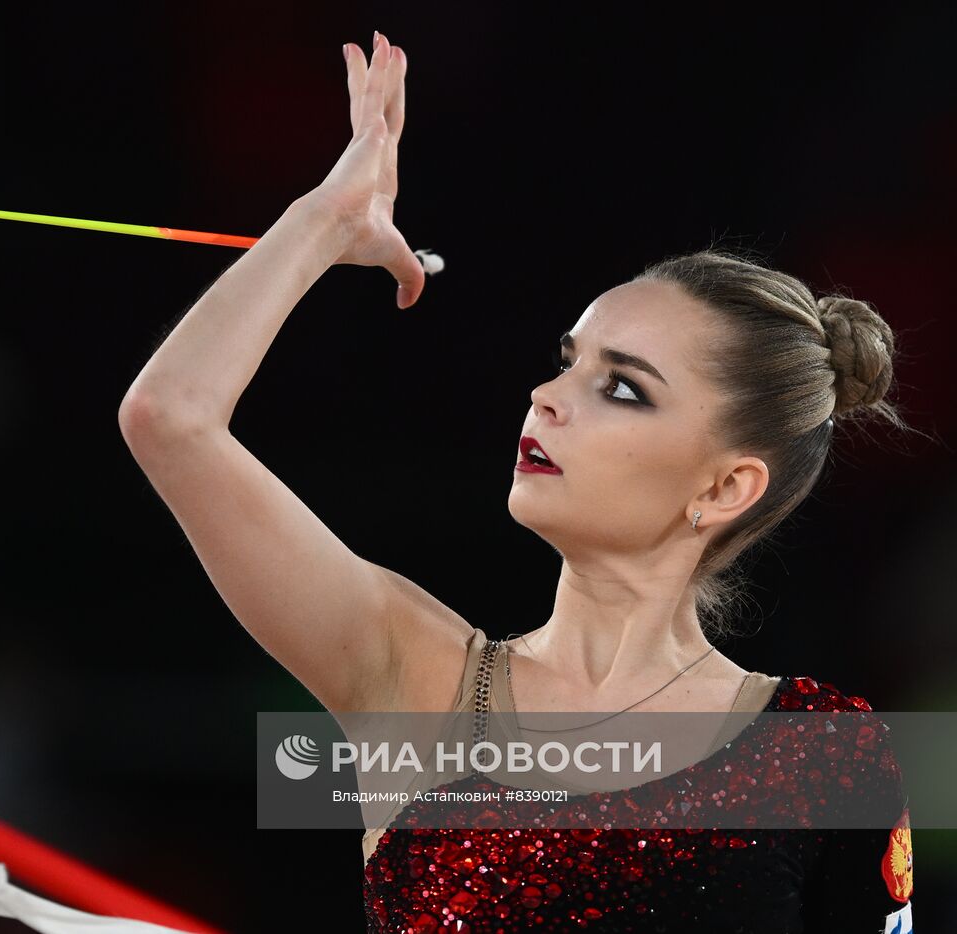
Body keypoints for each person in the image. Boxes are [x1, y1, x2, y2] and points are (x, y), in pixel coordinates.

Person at [118, 31, 916, 932]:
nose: (544, 398)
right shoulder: (409, 675)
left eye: (621, 388)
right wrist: (325, 225)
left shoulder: (818, 753)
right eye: (565, 363)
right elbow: (171, 419)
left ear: (726, 488)